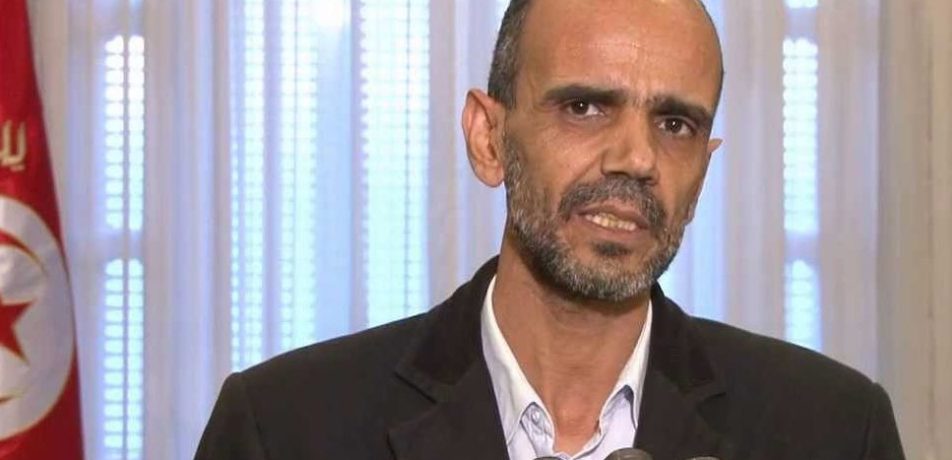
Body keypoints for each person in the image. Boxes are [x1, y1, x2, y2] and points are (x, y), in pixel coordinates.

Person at [195, 0, 905, 459]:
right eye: (585, 108)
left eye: (675, 123)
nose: (636, 158)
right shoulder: (284, 429)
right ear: (489, 138)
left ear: (703, 170)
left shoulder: (835, 432)